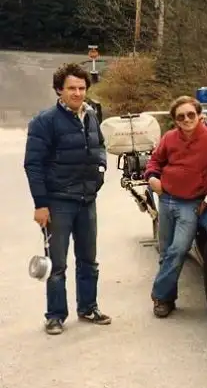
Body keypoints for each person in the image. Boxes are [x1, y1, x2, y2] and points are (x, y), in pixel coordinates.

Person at [24, 62, 111, 335]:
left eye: (82, 88)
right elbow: (33, 165)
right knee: (57, 264)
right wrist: (41, 204)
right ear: (59, 90)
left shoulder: (91, 115)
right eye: (71, 88)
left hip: (87, 200)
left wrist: (100, 170)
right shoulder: (45, 121)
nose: (77, 93)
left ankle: (88, 308)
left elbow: (100, 146)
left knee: (88, 260)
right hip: (58, 201)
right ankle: (55, 316)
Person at [144, 95, 207, 318]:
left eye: (191, 114)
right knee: (166, 253)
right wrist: (152, 178)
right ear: (175, 120)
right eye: (181, 117)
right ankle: (167, 300)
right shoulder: (169, 138)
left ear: (199, 115)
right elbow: (154, 162)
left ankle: (158, 295)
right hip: (166, 199)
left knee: (178, 250)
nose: (187, 119)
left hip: (191, 204)